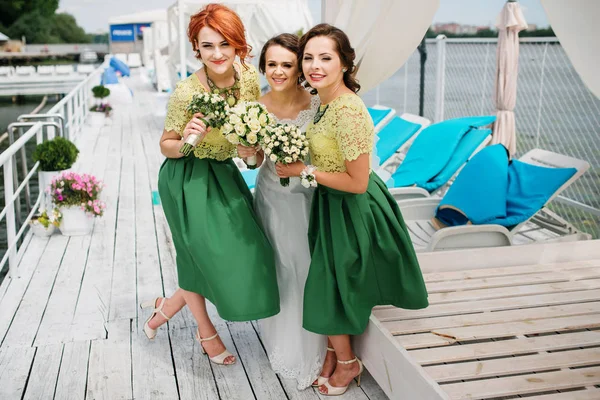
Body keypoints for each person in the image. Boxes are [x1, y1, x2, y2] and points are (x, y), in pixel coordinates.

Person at [276, 23, 429, 395]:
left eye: (325, 57)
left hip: (353, 207)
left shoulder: (347, 110)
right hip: (330, 203)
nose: (315, 65)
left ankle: (348, 363)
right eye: (308, 57)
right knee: (329, 281)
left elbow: (358, 181)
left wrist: (302, 170)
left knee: (327, 285)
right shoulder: (324, 103)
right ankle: (334, 352)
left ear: (344, 63)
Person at [140, 3, 280, 366]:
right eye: (207, 46)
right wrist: (189, 138)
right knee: (197, 257)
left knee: (251, 251)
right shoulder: (187, 93)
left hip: (224, 174)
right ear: (196, 50)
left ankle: (165, 309)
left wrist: (251, 153)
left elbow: (251, 149)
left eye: (225, 44)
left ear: (237, 46)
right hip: (185, 177)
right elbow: (166, 146)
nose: (217, 54)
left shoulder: (248, 78)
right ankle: (207, 334)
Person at [237, 33, 326, 390]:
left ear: (299, 67)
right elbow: (253, 161)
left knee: (310, 267)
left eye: (287, 64)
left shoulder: (318, 104)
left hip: (314, 197)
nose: (278, 71)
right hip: (273, 197)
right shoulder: (255, 108)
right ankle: (289, 348)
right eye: (271, 64)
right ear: (263, 67)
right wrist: (247, 152)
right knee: (283, 268)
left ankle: (321, 347)